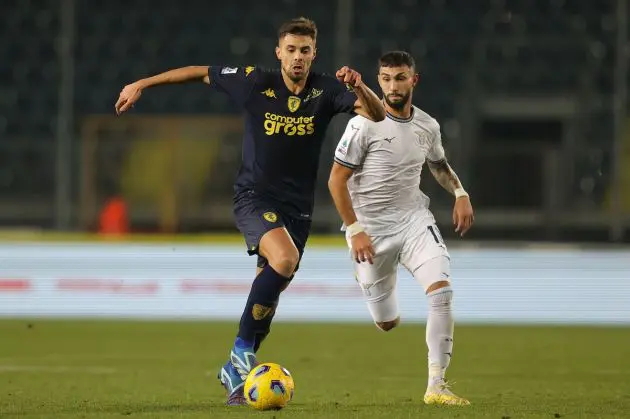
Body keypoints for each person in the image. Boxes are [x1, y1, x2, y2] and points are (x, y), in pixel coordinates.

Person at [115, 17, 385, 405]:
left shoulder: (327, 89)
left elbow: (376, 115)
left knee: (271, 289)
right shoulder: (256, 82)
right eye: (290, 50)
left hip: (298, 210)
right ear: (279, 52)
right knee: (286, 259)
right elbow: (199, 72)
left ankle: (233, 367)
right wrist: (141, 83)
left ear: (314, 54)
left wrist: (360, 86)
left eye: (304, 51)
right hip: (254, 198)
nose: (297, 58)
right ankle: (242, 351)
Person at [328, 51, 473, 406]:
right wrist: (354, 228)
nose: (394, 85)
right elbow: (336, 181)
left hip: (413, 222)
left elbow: (438, 165)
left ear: (414, 80)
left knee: (441, 292)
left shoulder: (428, 125)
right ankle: (372, 281)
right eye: (387, 78)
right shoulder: (362, 124)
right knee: (387, 323)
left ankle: (437, 386)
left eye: (401, 77)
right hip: (370, 234)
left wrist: (460, 192)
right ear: (379, 81)